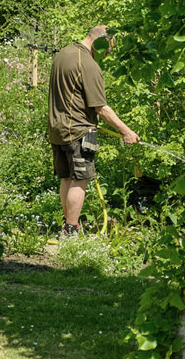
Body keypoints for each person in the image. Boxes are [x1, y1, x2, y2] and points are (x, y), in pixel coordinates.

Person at [48, 25, 139, 236]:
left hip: (58, 129)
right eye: (107, 49)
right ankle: (71, 229)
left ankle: (69, 224)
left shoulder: (63, 54)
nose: (106, 54)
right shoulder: (88, 64)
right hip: (79, 131)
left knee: (67, 178)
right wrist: (127, 131)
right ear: (101, 42)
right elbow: (101, 108)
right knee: (80, 178)